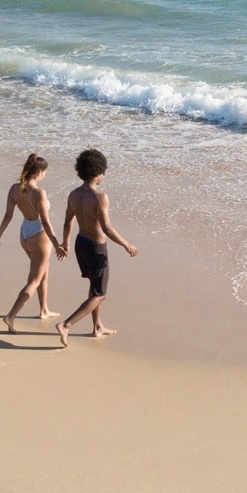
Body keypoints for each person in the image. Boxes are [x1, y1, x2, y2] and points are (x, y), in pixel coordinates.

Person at [56, 149, 139, 347]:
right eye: (104, 171)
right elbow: (106, 228)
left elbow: (67, 222)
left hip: (80, 244)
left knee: (94, 288)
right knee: (100, 294)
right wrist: (127, 245)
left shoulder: (74, 195)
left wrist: (65, 243)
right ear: (97, 172)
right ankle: (67, 324)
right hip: (96, 248)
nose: (104, 175)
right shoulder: (100, 197)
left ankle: (97, 327)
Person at [0, 153, 65, 333]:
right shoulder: (39, 192)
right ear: (39, 172)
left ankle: (44, 310)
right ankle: (11, 316)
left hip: (24, 233)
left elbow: (8, 215)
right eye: (44, 172)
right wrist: (57, 244)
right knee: (34, 280)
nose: (45, 175)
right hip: (40, 234)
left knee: (43, 272)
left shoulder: (15, 189)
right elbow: (46, 222)